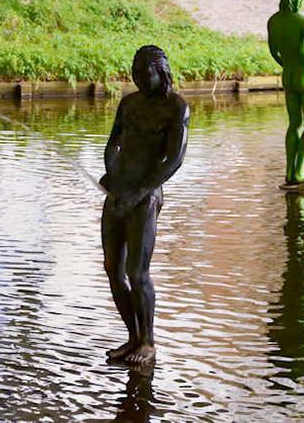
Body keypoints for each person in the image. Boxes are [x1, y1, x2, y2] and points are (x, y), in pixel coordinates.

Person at [99, 45, 190, 367]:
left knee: (137, 273)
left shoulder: (175, 108)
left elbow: (174, 159)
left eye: (143, 72)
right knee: (113, 270)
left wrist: (140, 192)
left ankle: (148, 342)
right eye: (134, 72)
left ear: (160, 71)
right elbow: (113, 143)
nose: (137, 78)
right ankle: (132, 337)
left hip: (146, 197)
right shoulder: (128, 104)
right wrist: (111, 174)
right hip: (117, 194)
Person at [269, 0, 304, 189]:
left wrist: (287, 64)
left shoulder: (273, 21)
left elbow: (274, 52)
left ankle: (290, 171)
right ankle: (300, 171)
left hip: (288, 76)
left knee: (294, 125)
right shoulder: (302, 21)